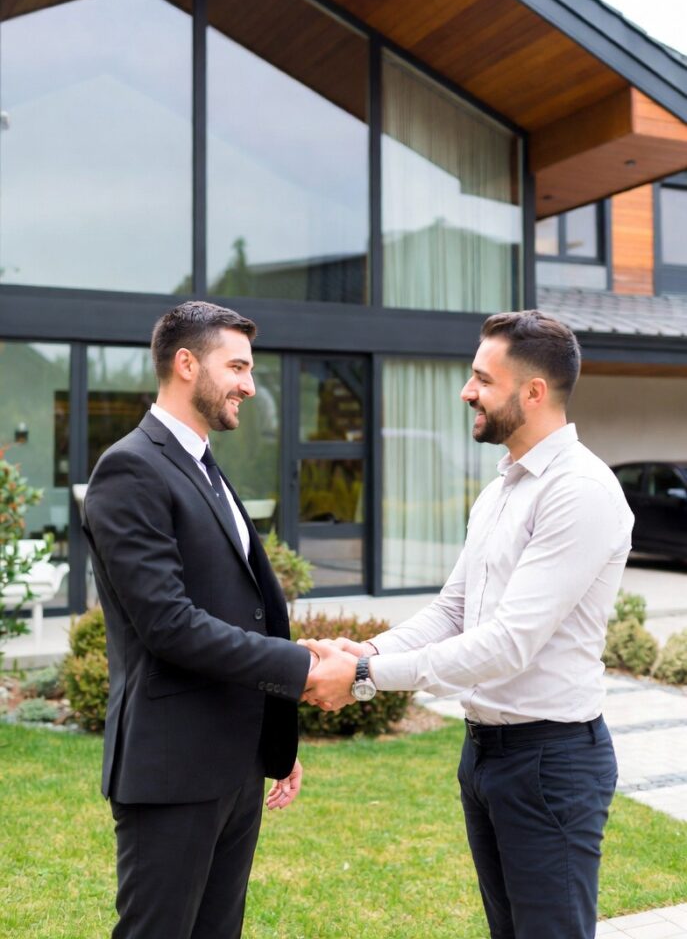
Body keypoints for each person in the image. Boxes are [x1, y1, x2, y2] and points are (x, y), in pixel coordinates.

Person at [302, 310, 634, 939]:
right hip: (486, 756)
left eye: (482, 378)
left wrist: (366, 675)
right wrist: (365, 647)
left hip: (549, 763)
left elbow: (509, 643)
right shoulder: (503, 488)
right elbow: (453, 612)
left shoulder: (579, 490)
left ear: (533, 392)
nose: (466, 391)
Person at [83, 301, 313, 939]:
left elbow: (243, 606)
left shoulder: (204, 465)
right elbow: (170, 625)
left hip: (234, 763)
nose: (249, 383)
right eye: (236, 366)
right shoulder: (130, 469)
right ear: (186, 364)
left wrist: (275, 734)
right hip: (172, 767)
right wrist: (301, 670)